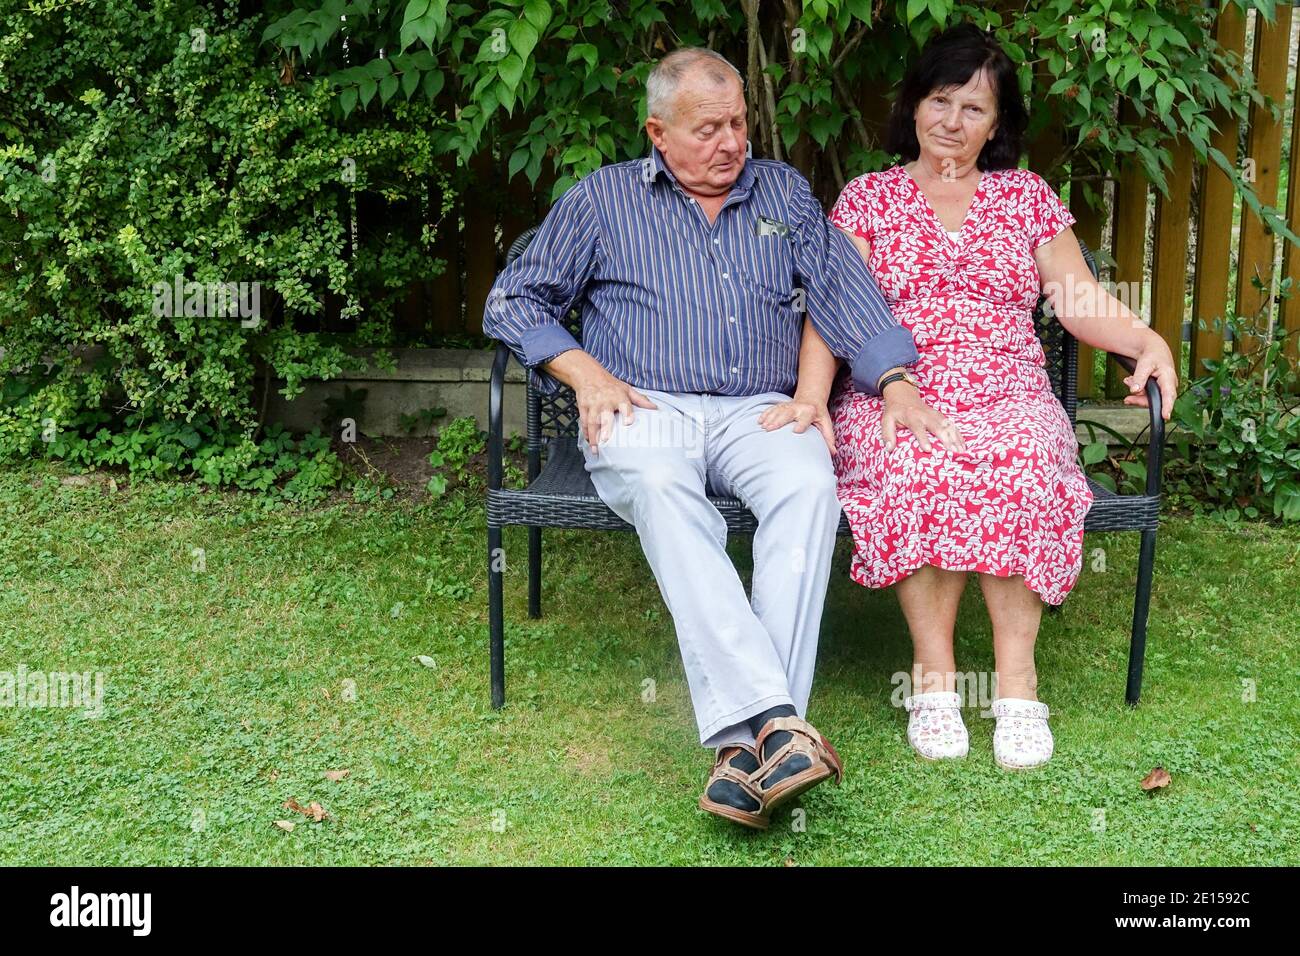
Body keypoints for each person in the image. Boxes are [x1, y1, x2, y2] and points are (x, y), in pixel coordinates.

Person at [484, 47, 951, 827]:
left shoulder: (782, 194)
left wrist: (894, 382)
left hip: (760, 409)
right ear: (657, 132)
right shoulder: (603, 201)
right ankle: (777, 726)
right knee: (665, 489)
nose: (731, 141)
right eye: (708, 128)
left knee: (809, 487)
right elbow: (513, 301)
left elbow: (841, 291)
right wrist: (587, 376)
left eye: (738, 122)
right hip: (644, 406)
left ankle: (746, 750)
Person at [776, 23, 1178, 769]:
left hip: (1009, 388)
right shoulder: (869, 197)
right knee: (919, 465)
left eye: (973, 108)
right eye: (940, 100)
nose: (952, 122)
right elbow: (832, 307)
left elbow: (1078, 299)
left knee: (1022, 459)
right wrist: (810, 397)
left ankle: (1018, 691)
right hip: (896, 391)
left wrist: (1145, 340)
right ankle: (934, 683)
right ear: (914, 105)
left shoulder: (1025, 198)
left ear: (998, 125)